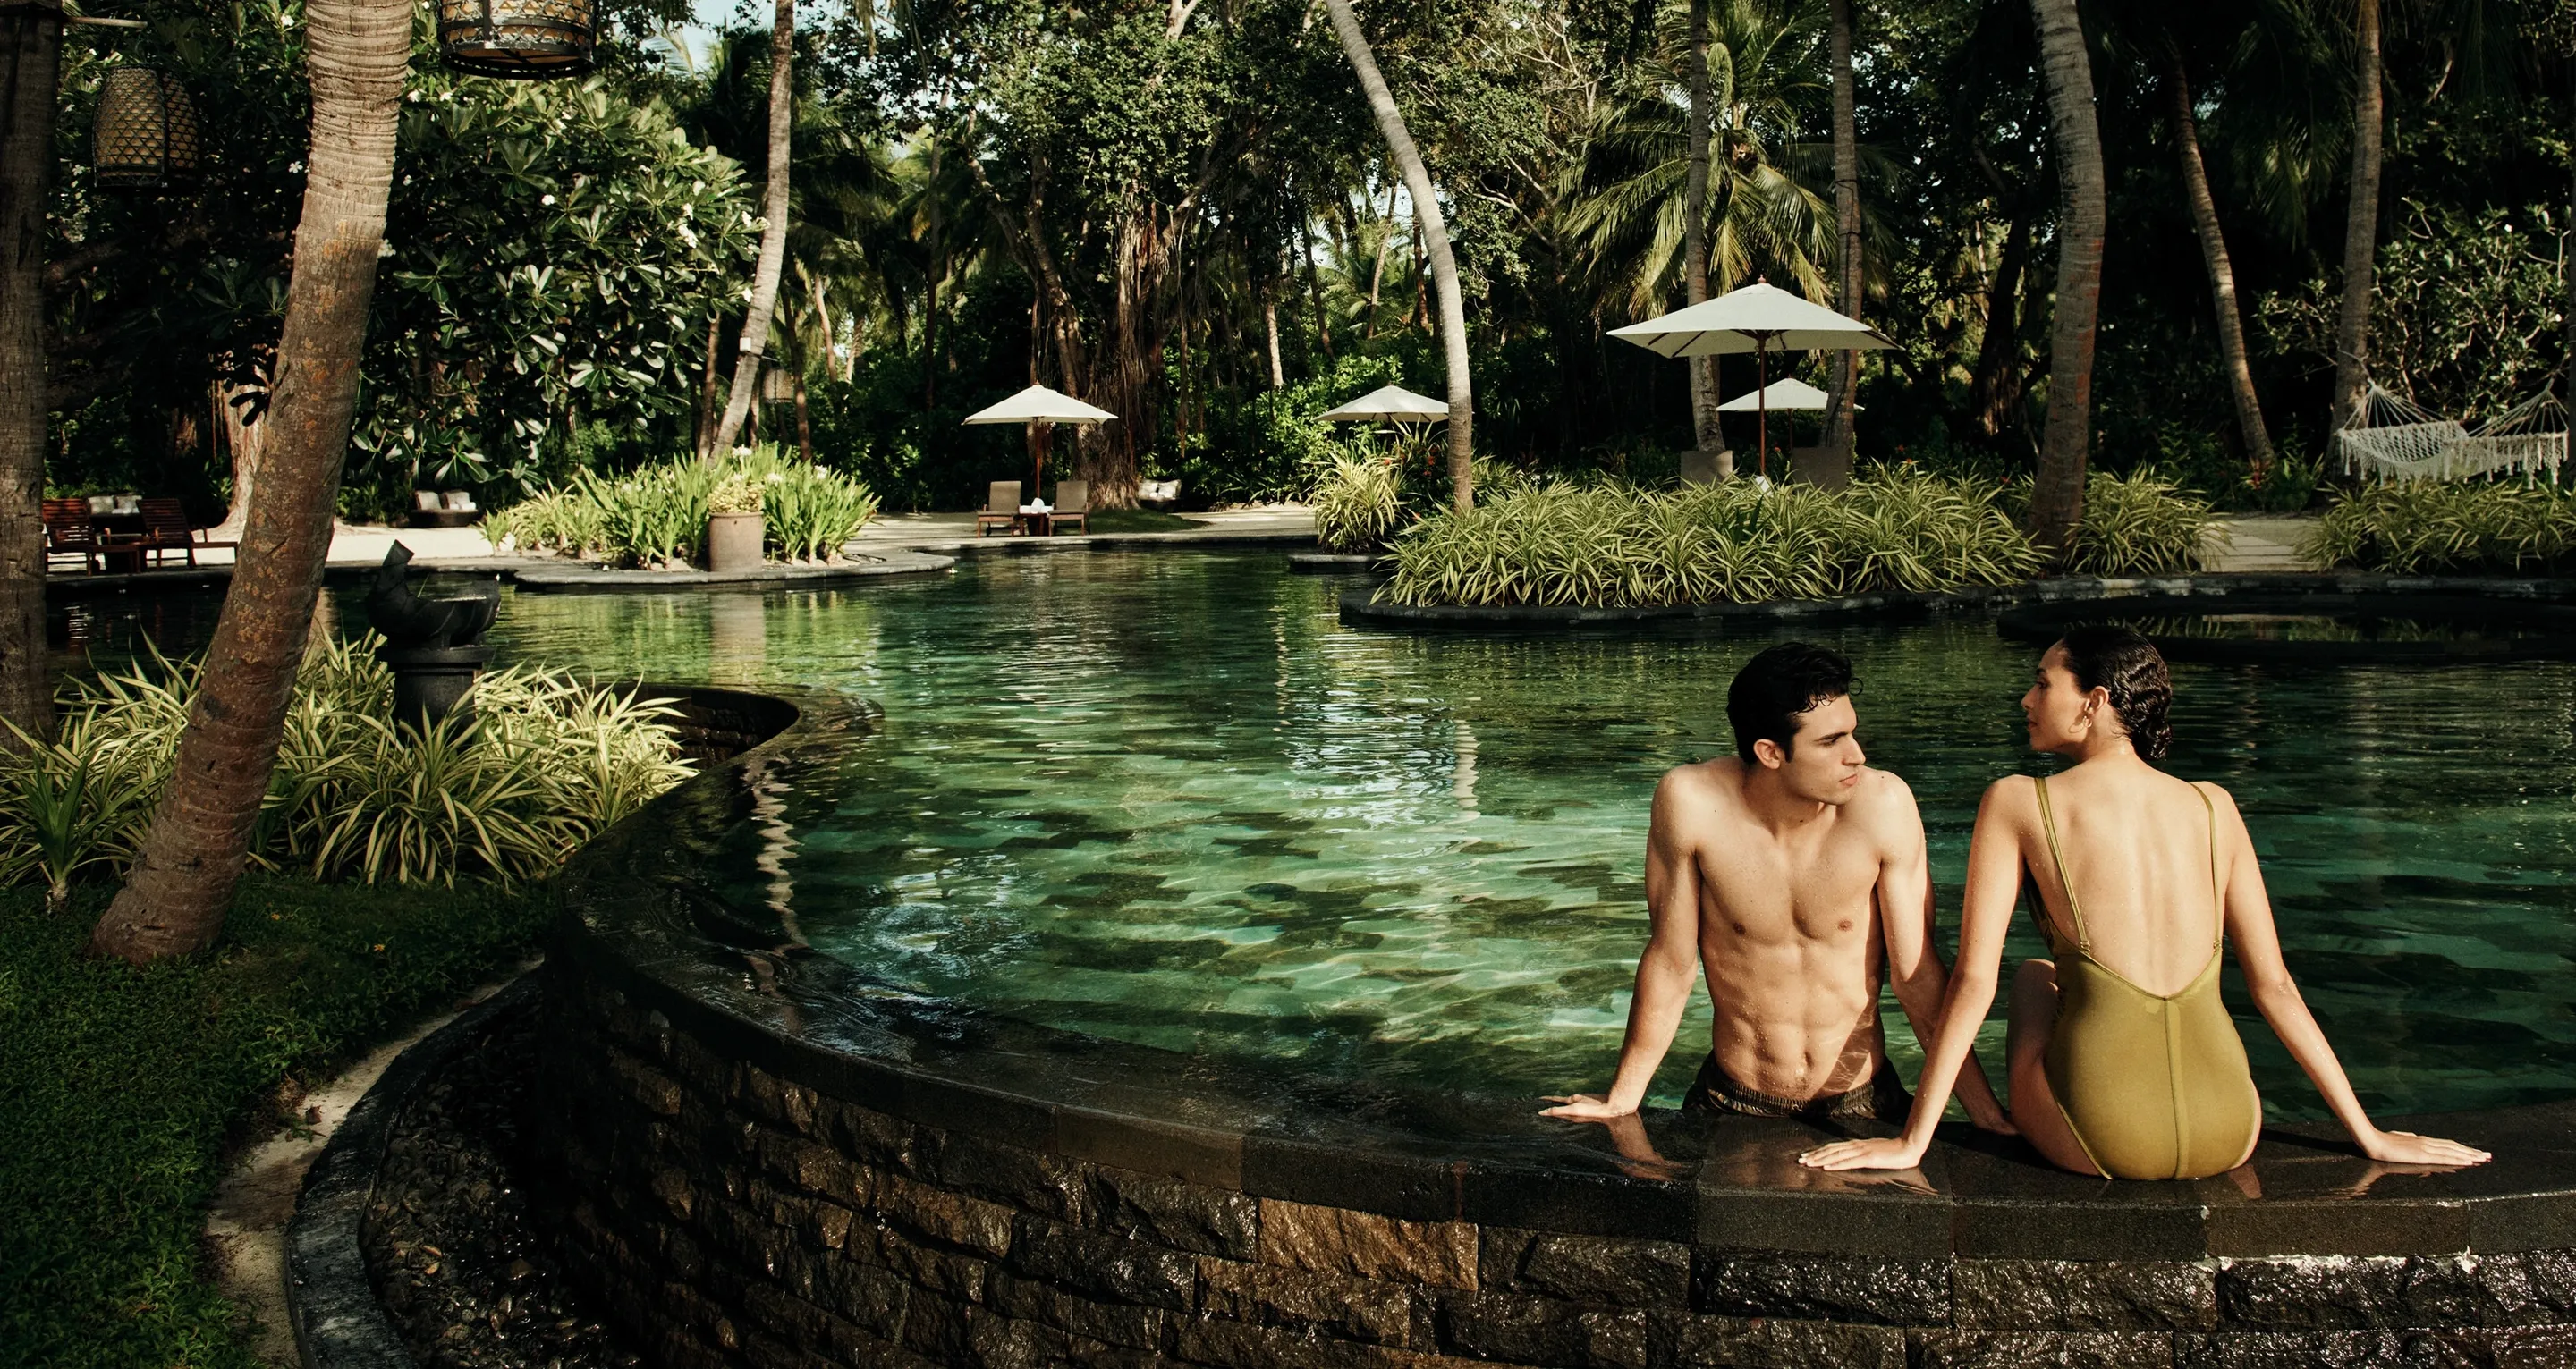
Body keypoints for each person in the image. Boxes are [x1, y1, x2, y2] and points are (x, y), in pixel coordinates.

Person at [1800, 626, 2491, 1179]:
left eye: (2043, 682)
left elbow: (1974, 981)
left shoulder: (2019, 799)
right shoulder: (2213, 804)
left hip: (2105, 1138)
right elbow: (2274, 984)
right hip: (2230, 1128)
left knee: (2031, 974)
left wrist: (1913, 1140)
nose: (2027, 699)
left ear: (2095, 701)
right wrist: (2367, 1135)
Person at [1542, 642, 2011, 1131]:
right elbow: (1671, 961)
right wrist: (1623, 1098)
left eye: (1852, 732)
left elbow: (1917, 978)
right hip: (1732, 1096)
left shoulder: (1884, 807)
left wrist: (1985, 1113)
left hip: (1861, 1098)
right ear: (1770, 752)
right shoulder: (1692, 804)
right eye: (1831, 742)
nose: (1858, 755)